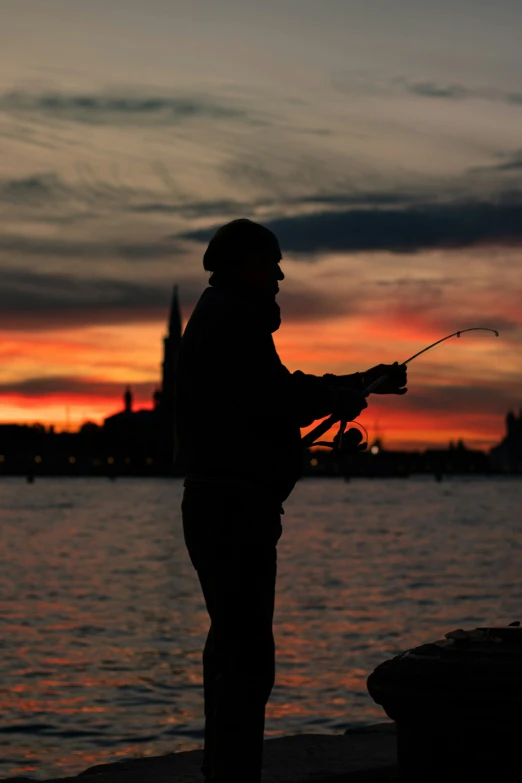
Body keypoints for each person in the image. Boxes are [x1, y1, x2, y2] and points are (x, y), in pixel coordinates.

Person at [175, 219, 407, 783]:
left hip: (226, 505)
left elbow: (274, 388)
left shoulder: (225, 316)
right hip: (234, 510)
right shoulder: (235, 318)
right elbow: (273, 397)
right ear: (243, 264)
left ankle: (226, 768)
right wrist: (341, 394)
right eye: (272, 261)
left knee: (234, 646)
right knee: (247, 655)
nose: (280, 273)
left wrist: (358, 381)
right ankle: (233, 775)